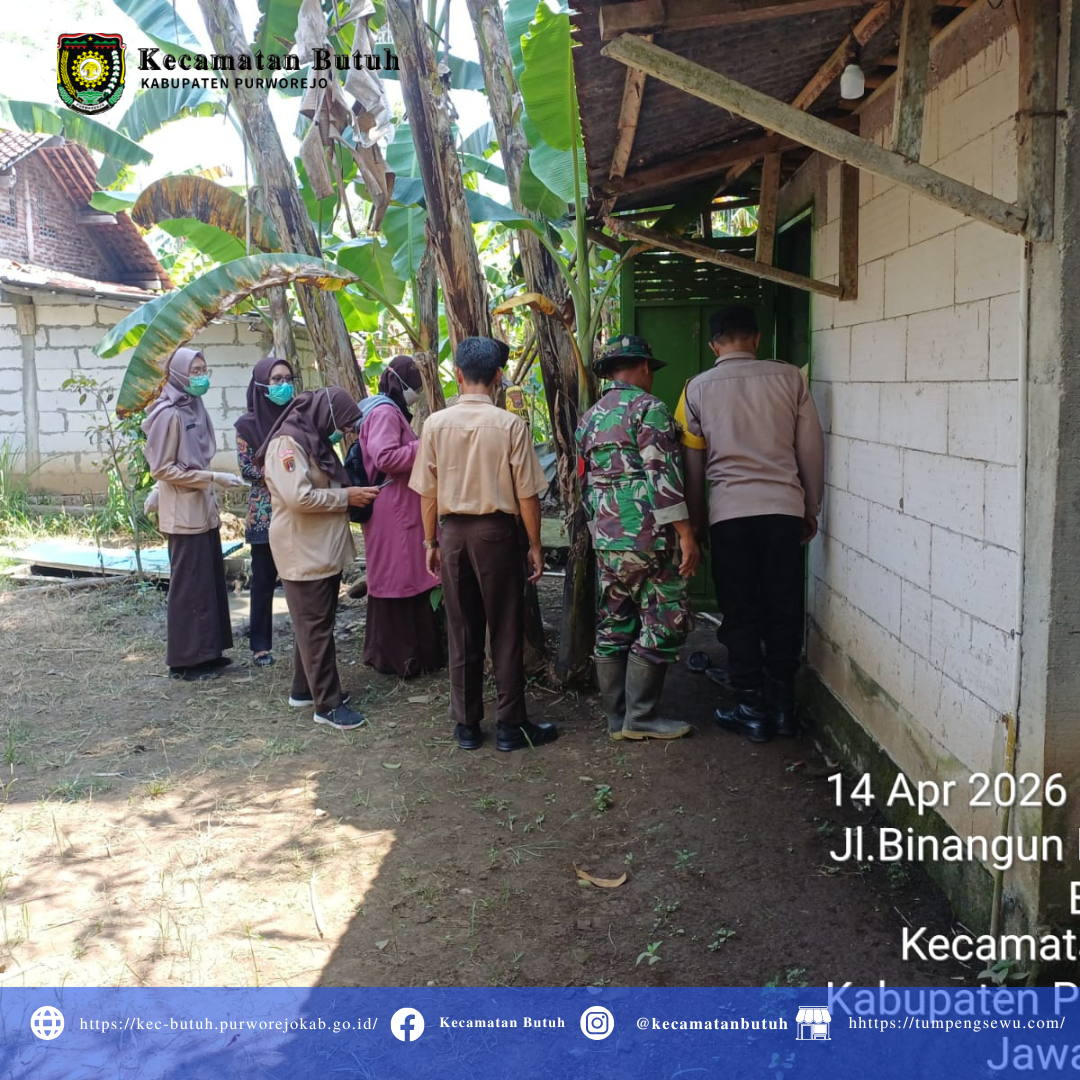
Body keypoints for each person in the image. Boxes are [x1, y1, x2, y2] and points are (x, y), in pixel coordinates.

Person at [678, 306, 824, 743]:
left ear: (713, 346)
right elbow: (810, 448)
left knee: (739, 609)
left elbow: (692, 465)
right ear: (757, 338)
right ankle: (783, 706)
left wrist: (696, 523)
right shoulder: (791, 379)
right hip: (783, 510)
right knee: (784, 605)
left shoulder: (695, 389)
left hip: (730, 515)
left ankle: (750, 707)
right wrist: (811, 506)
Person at [408, 337, 556, 753]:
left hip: (453, 534)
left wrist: (430, 541)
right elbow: (527, 494)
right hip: (497, 535)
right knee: (505, 628)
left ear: (458, 375)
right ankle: (511, 726)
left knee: (462, 628)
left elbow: (428, 493)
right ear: (498, 376)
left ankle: (467, 725)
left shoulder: (434, 424)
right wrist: (535, 544)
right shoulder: (510, 426)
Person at [577, 334, 700, 741]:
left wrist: (598, 529)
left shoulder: (589, 417)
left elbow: (583, 480)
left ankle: (617, 719)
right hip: (649, 538)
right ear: (645, 368)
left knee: (614, 621)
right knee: (664, 620)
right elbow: (662, 476)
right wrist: (686, 534)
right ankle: (641, 717)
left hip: (606, 538)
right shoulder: (650, 409)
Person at [257, 387, 379, 732]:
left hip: (318, 546)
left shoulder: (312, 439)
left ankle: (304, 690)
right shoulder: (287, 444)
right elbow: (298, 497)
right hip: (302, 548)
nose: (343, 432)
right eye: (342, 424)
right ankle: (328, 705)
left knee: (313, 625)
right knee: (316, 628)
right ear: (327, 415)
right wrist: (346, 497)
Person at [143, 346, 245, 681]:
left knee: (209, 581)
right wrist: (213, 477)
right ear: (178, 374)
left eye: (204, 370)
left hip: (203, 509)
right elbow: (163, 468)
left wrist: (210, 480)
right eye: (195, 371)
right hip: (183, 515)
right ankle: (185, 662)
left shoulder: (194, 405)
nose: (201, 377)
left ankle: (210, 652)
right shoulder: (168, 413)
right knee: (189, 587)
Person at [357, 355, 442, 677]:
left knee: (406, 578)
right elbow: (385, 456)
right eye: (414, 384)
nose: (416, 390)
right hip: (393, 508)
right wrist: (425, 446)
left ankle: (413, 654)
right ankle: (400, 656)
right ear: (400, 382)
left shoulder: (386, 409)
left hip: (397, 504)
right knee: (399, 579)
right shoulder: (383, 412)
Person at [234, 355, 298, 668]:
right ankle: (260, 645)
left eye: (288, 379)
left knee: (301, 575)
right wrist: (283, 469)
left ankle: (307, 637)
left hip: (300, 506)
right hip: (265, 511)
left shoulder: (298, 415)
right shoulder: (246, 426)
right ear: (261, 384)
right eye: (276, 380)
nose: (284, 385)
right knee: (263, 579)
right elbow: (247, 469)